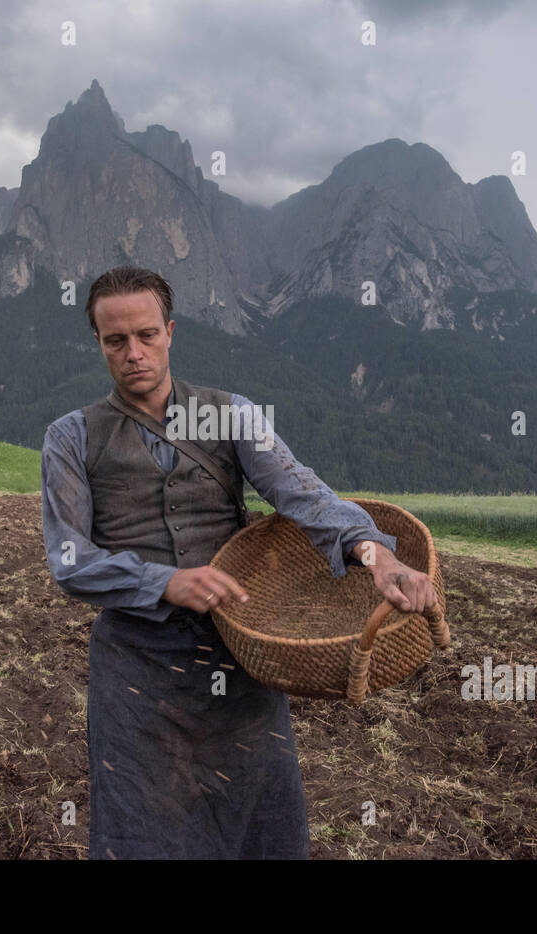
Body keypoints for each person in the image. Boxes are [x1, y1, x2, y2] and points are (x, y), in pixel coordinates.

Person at [40, 266, 437, 859]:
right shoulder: (71, 437)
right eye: (115, 341)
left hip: (238, 652)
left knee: (259, 826)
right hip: (135, 670)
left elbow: (301, 492)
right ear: (98, 342)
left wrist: (373, 552)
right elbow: (69, 559)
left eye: (147, 335)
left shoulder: (229, 415)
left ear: (170, 331)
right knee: (144, 834)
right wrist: (165, 582)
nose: (134, 353)